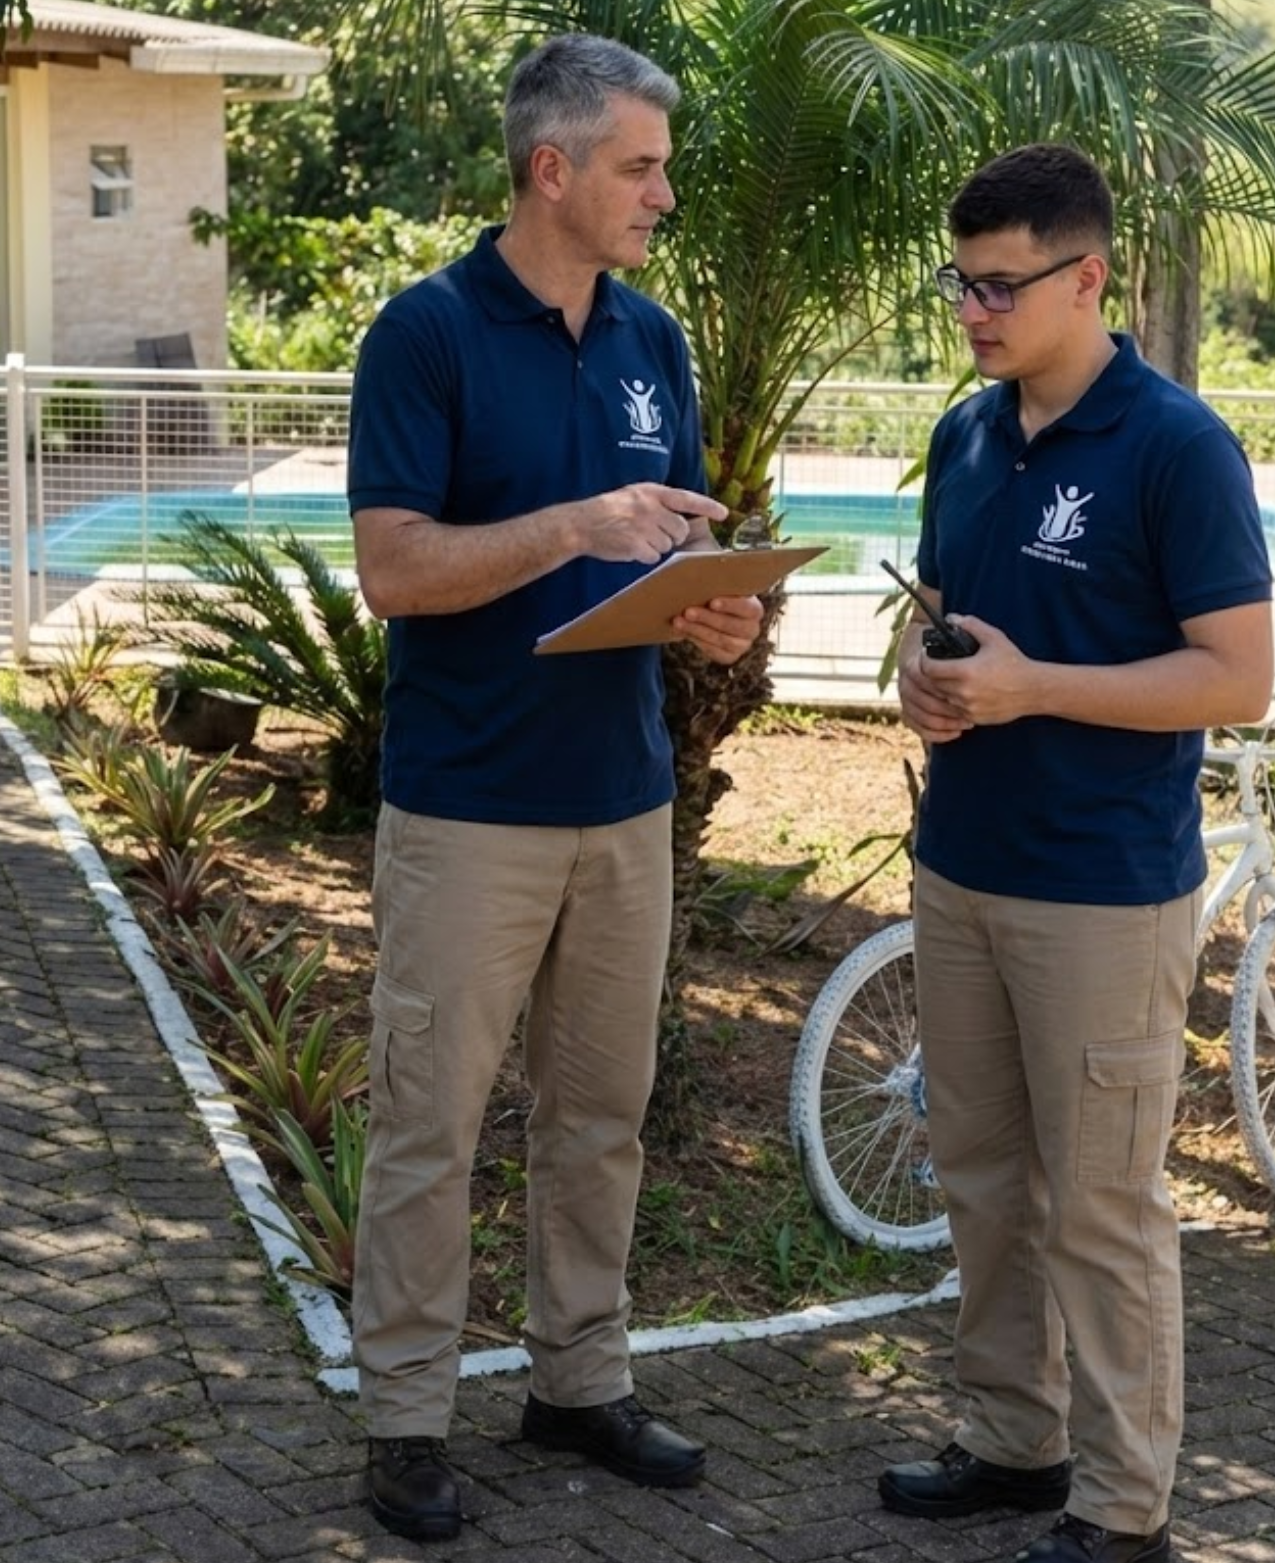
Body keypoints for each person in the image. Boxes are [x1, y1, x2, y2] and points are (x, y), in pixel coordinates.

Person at [344, 32, 765, 1543]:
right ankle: (402, 1417)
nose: (663, 191)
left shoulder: (653, 341)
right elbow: (394, 570)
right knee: (431, 1123)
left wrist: (717, 610)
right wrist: (567, 523)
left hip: (624, 796)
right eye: (641, 166)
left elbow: (664, 550)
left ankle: (577, 1381)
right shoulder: (427, 334)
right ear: (554, 168)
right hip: (467, 809)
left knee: (600, 1112)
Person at [881, 144, 1274, 1563]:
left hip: (1102, 892)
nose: (973, 311)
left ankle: (1123, 1508)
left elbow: (1234, 675)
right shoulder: (966, 435)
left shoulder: (1174, 446)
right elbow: (944, 625)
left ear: (1086, 276)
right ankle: (1012, 1441)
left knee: (1101, 1206)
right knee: (980, 1176)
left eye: (999, 285)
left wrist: (1036, 685)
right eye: (960, 282)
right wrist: (925, 685)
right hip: (962, 864)